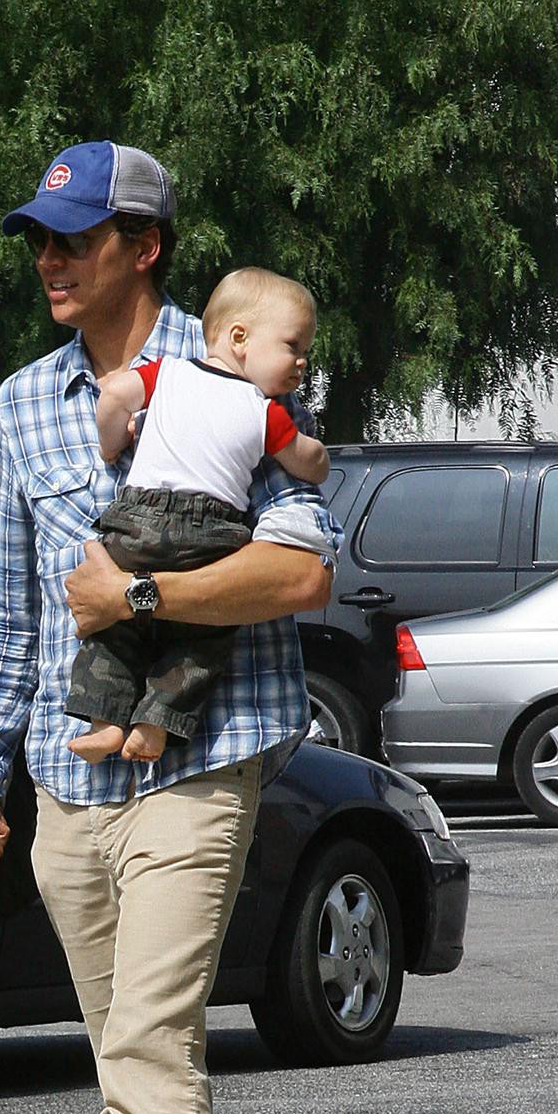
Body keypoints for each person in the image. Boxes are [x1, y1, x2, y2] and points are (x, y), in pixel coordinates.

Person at [0, 144, 342, 1114]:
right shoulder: (20, 403)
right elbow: (13, 612)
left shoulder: (227, 362)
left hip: (201, 762)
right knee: (136, 1067)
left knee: (149, 1051)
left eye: (74, 238)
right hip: (65, 777)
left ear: (141, 246)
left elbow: (297, 572)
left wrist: (145, 595)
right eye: (38, 239)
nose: (49, 260)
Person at [67, 268, 331, 767]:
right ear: (240, 338)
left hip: (138, 516)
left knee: (111, 630)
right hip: (211, 533)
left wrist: (111, 442)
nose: (301, 363)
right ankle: (155, 723)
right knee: (201, 637)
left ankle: (103, 722)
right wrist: (319, 454)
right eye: (293, 346)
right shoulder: (266, 410)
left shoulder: (166, 373)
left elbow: (115, 396)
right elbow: (306, 460)